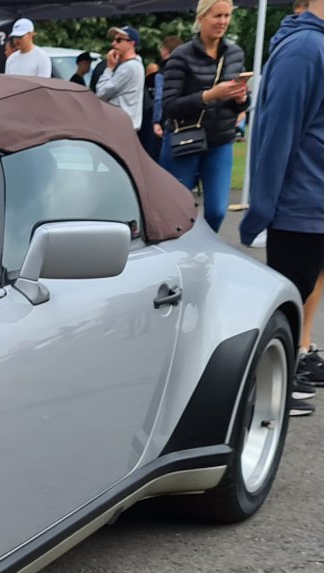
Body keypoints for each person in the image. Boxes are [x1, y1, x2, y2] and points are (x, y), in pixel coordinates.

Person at [239, 0, 323, 402]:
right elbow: (277, 135)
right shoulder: (305, 49)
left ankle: (283, 375)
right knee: (286, 300)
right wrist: (262, 210)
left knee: (300, 291)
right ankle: (268, 391)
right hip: (300, 202)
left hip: (313, 200)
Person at [161, 0, 249, 233]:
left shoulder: (235, 53)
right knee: (175, 210)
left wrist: (241, 100)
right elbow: (169, 107)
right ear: (201, 18)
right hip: (184, 140)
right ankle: (178, 255)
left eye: (227, 16)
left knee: (218, 210)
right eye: (217, 16)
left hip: (219, 141)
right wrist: (208, 96)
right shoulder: (181, 56)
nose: (223, 22)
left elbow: (237, 104)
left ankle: (205, 253)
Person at [96, 26, 146, 130]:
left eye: (118, 40)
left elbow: (101, 92)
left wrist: (109, 68)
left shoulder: (129, 67)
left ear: (131, 43)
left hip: (120, 127)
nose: (113, 44)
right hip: (124, 125)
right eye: (113, 40)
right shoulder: (133, 64)